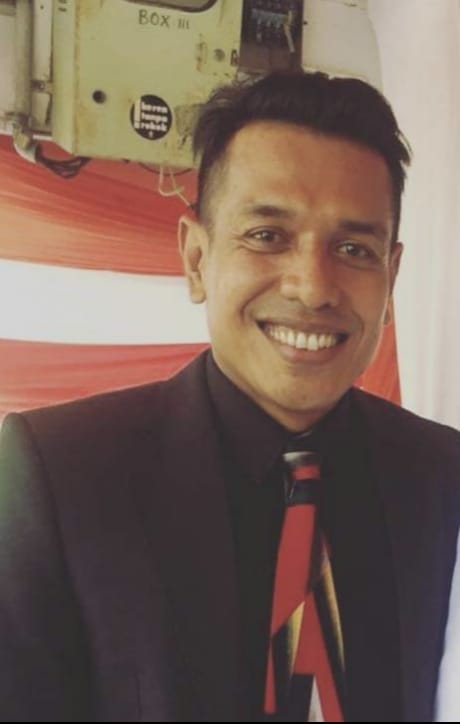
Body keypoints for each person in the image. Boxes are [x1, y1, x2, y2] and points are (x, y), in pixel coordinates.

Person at [0, 70, 459, 723]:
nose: (312, 287)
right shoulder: (61, 476)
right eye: (268, 236)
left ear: (391, 276)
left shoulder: (443, 477)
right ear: (196, 258)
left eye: (354, 248)